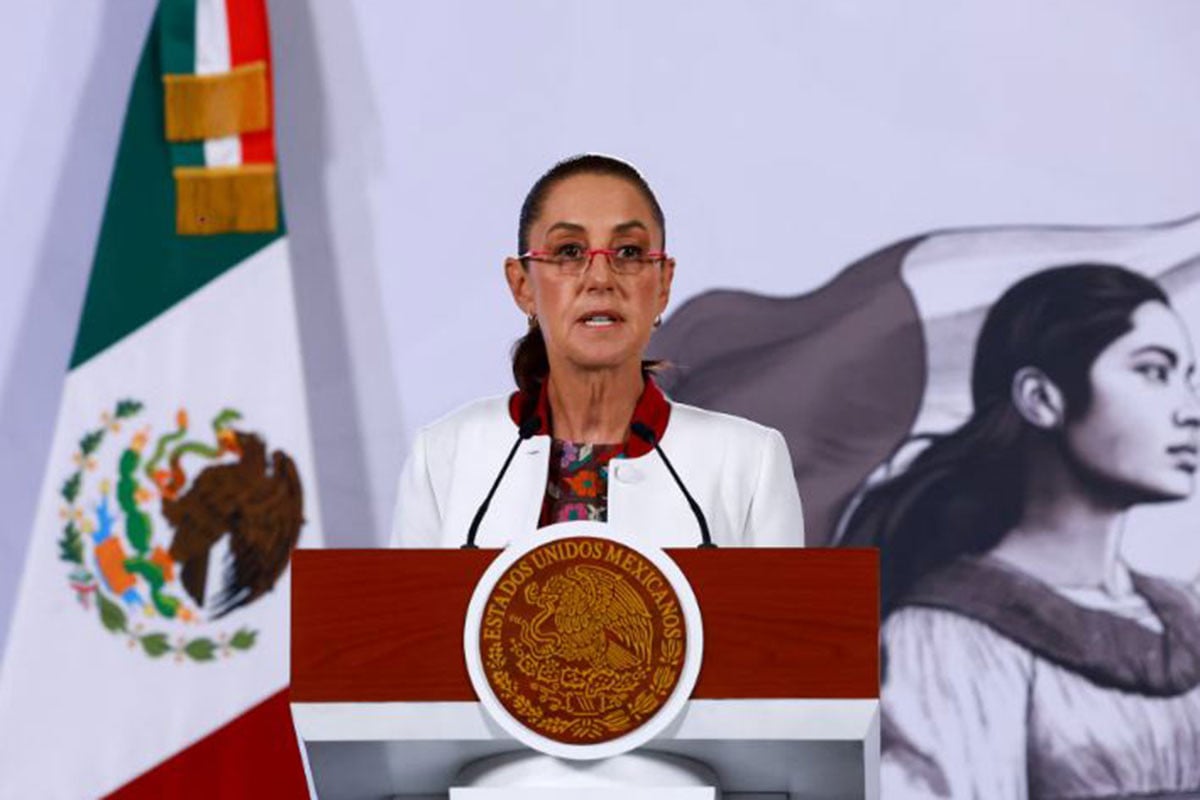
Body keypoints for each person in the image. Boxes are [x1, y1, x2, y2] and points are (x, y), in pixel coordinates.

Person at [840, 264, 1200, 797]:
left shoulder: (1186, 610)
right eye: (1153, 371)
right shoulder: (949, 638)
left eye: (1189, 378)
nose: (1190, 411)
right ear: (1041, 398)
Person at [391, 154, 804, 549]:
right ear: (522, 285)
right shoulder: (444, 456)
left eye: (629, 252)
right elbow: (407, 603)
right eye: (570, 252)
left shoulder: (750, 463)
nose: (601, 278)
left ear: (663, 284)